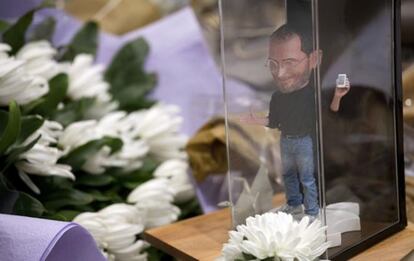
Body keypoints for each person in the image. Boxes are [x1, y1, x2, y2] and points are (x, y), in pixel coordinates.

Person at [240, 24, 350, 219]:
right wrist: (255, 120)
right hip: (286, 141)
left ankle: (312, 211)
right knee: (289, 176)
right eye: (273, 64)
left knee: (307, 178)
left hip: (303, 141)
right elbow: (273, 122)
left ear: (314, 59)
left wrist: (338, 96)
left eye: (289, 62)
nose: (280, 73)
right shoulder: (277, 97)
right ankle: (293, 205)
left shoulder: (312, 95)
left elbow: (331, 111)